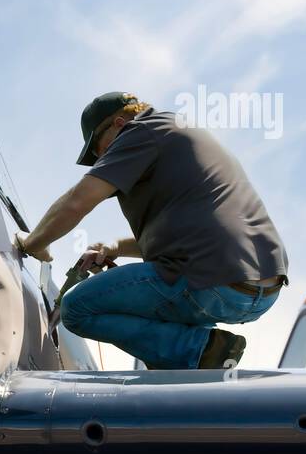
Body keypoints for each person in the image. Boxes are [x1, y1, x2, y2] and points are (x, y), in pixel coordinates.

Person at [14, 92, 288, 369]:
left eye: (98, 150)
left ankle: (199, 349)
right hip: (258, 289)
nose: (101, 160)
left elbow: (77, 202)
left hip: (212, 282)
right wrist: (115, 247)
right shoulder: (175, 133)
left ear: (119, 124)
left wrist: (33, 243)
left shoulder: (141, 130)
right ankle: (191, 363)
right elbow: (194, 236)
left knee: (77, 308)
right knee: (163, 342)